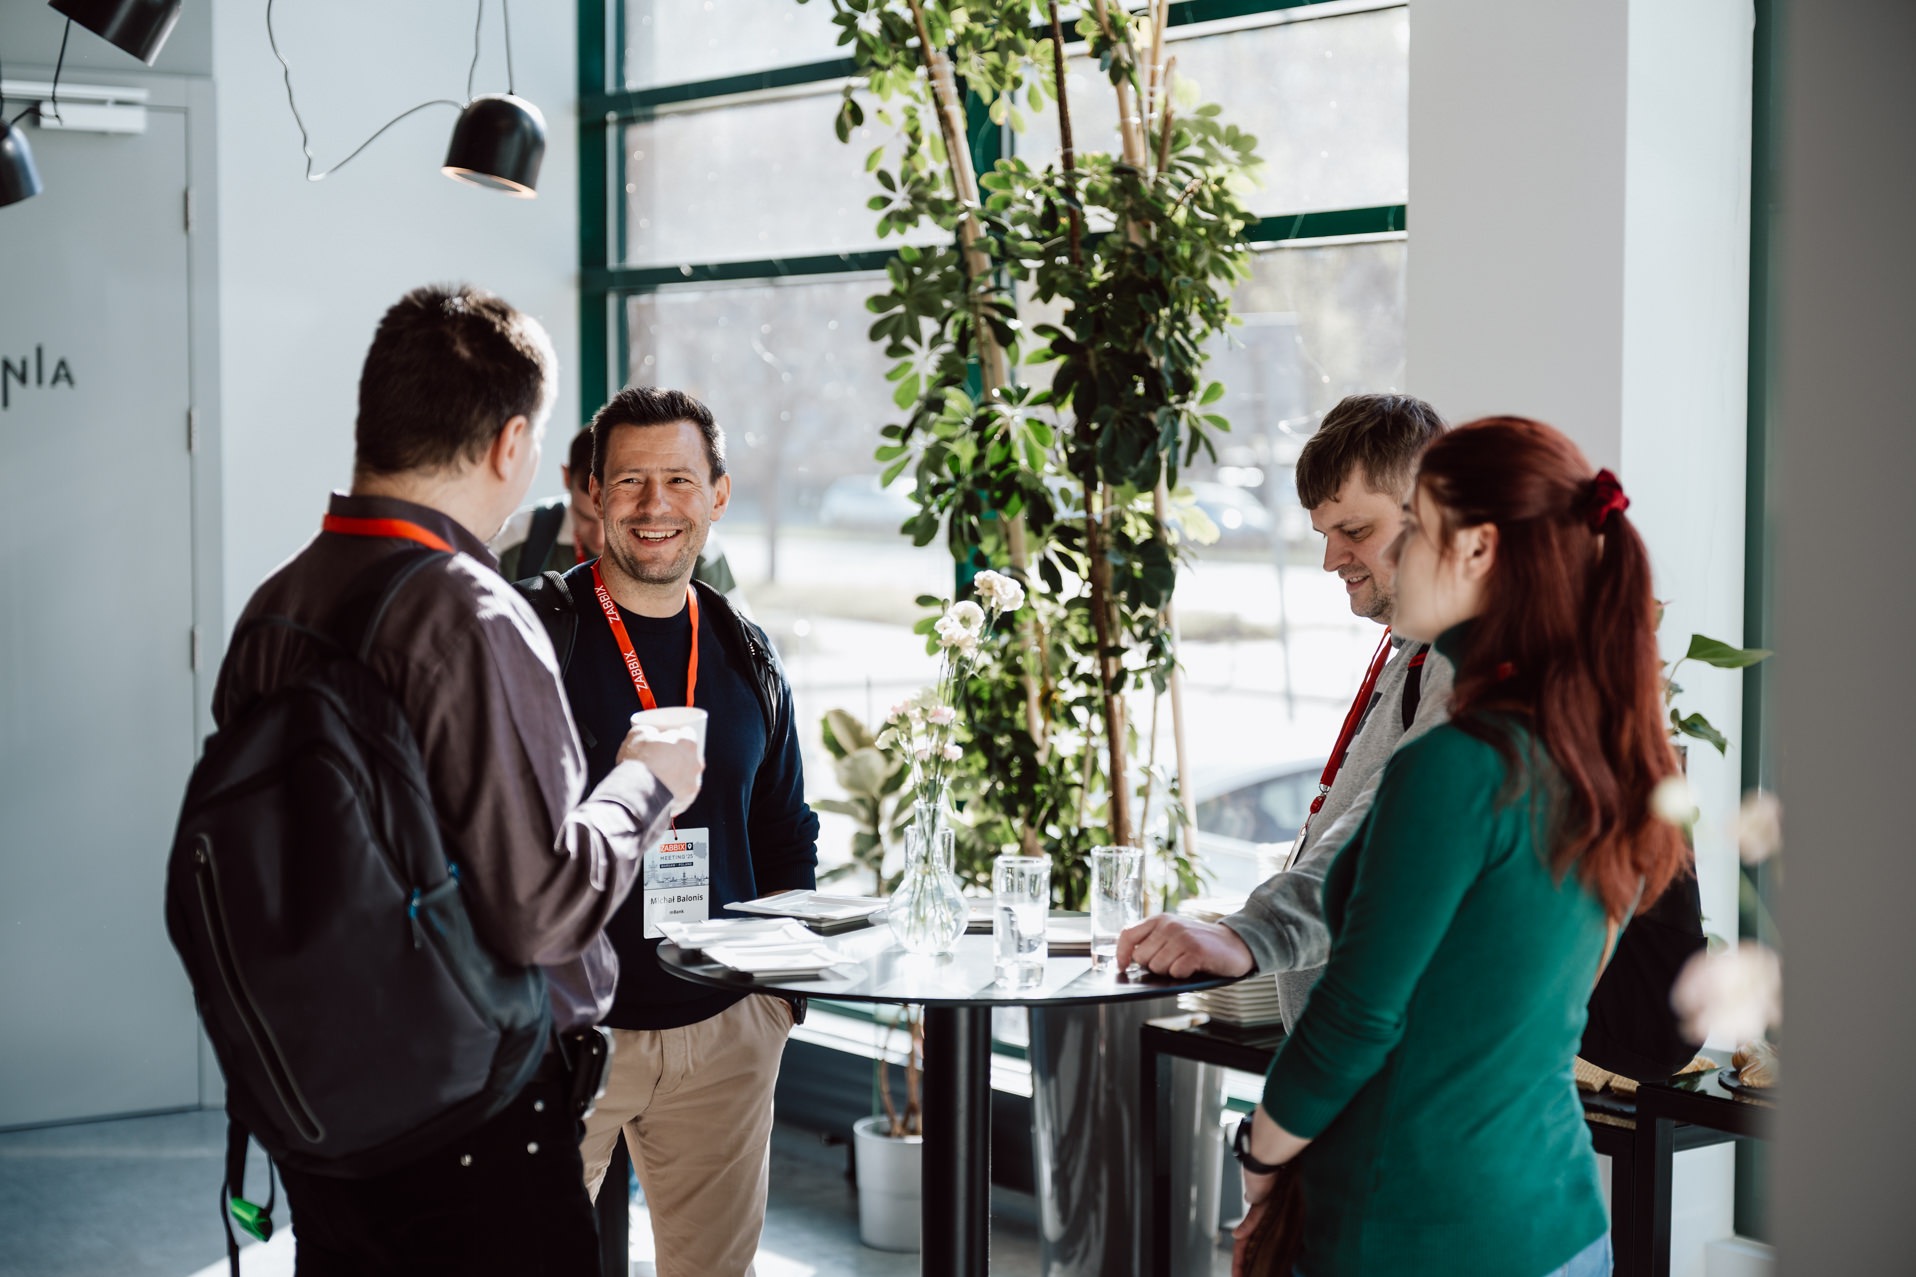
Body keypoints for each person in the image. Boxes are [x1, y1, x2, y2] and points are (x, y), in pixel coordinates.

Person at [212, 284, 703, 1275]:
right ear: (509, 443)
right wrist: (643, 783)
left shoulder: (276, 602)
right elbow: (540, 907)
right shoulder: (467, 610)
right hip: (469, 1123)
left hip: (318, 1105)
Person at [1234, 417, 1691, 1277]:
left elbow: (1356, 1018)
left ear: (1476, 552)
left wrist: (1258, 1165)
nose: (1394, 558)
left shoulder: (1458, 761)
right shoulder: (1615, 749)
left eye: (1420, 533)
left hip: (1419, 1228)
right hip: (1559, 1223)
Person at [516, 386, 818, 1277]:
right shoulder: (537, 639)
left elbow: (785, 827)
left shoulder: (744, 649)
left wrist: (779, 1006)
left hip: (725, 1032)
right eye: (632, 481)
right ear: (593, 493)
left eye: (679, 480)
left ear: (717, 494)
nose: (656, 506)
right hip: (564, 1038)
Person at [1120, 394, 1453, 1029]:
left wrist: (1247, 938)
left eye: (1355, 532)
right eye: (1325, 535)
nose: (1332, 560)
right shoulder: (1412, 647)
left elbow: (1398, 831)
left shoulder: (1472, 657)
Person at [493, 422, 748, 606]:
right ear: (568, 478)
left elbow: (745, 648)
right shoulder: (518, 538)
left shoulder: (693, 544)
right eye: (585, 517)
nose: (599, 539)